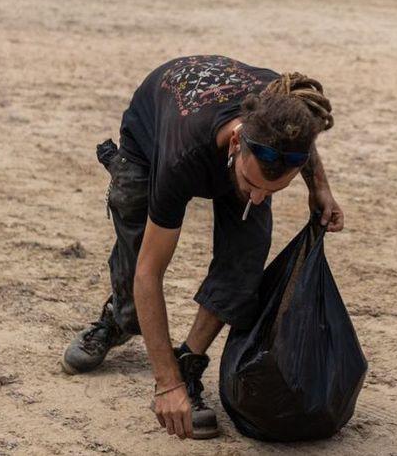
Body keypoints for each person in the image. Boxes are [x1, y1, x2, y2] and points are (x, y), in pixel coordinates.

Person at [60, 56, 345, 441]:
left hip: (228, 147)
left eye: (273, 190)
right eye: (253, 183)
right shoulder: (181, 156)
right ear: (236, 142)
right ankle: (119, 319)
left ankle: (189, 361)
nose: (260, 197)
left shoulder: (283, 108)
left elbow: (301, 140)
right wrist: (166, 386)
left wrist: (319, 187)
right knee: (136, 246)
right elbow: (151, 272)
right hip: (150, 140)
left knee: (245, 258)